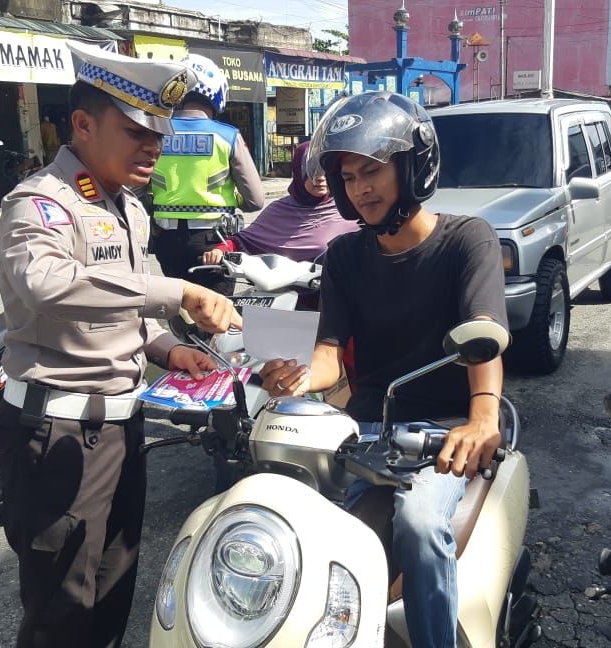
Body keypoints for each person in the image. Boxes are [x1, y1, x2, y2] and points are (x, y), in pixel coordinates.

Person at [0, 42, 239, 648]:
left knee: (113, 591)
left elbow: (124, 305)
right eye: (136, 131)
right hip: (56, 435)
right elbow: (47, 285)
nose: (153, 147)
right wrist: (176, 291)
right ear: (83, 124)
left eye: (157, 134)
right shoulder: (41, 203)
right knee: (61, 611)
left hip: (122, 429)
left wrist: (164, 349)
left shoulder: (128, 207)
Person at [258, 91, 507, 647]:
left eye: (372, 170)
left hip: (444, 430)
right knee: (285, 522)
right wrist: (293, 379)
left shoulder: (468, 240)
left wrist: (482, 416)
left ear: (413, 167)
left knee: (420, 527)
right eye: (348, 178)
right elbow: (327, 357)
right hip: (366, 428)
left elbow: (485, 339)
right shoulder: (344, 254)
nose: (360, 188)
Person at [149, 53, 266, 295]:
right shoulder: (228, 136)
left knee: (180, 307)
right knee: (217, 313)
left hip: (166, 240)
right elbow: (256, 200)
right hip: (213, 242)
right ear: (216, 94)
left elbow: (138, 188)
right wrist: (234, 199)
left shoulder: (155, 133)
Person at [201, 141, 357, 265]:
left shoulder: (347, 207)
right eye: (311, 171)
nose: (320, 178)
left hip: (338, 295)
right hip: (288, 296)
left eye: (324, 172)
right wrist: (220, 250)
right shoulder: (279, 211)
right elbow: (242, 241)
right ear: (298, 172)